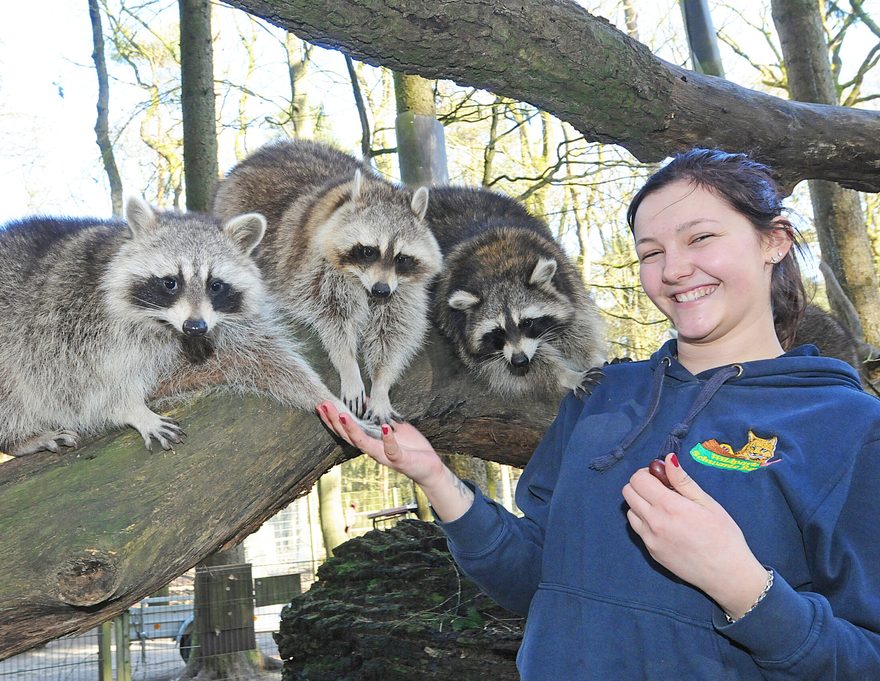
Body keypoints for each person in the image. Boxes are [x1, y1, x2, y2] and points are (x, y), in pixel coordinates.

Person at [317, 148, 880, 679]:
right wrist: (436, 478)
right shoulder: (602, 395)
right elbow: (534, 578)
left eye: (700, 238)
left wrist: (744, 587)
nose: (675, 269)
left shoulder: (849, 427)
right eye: (651, 252)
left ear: (773, 242)